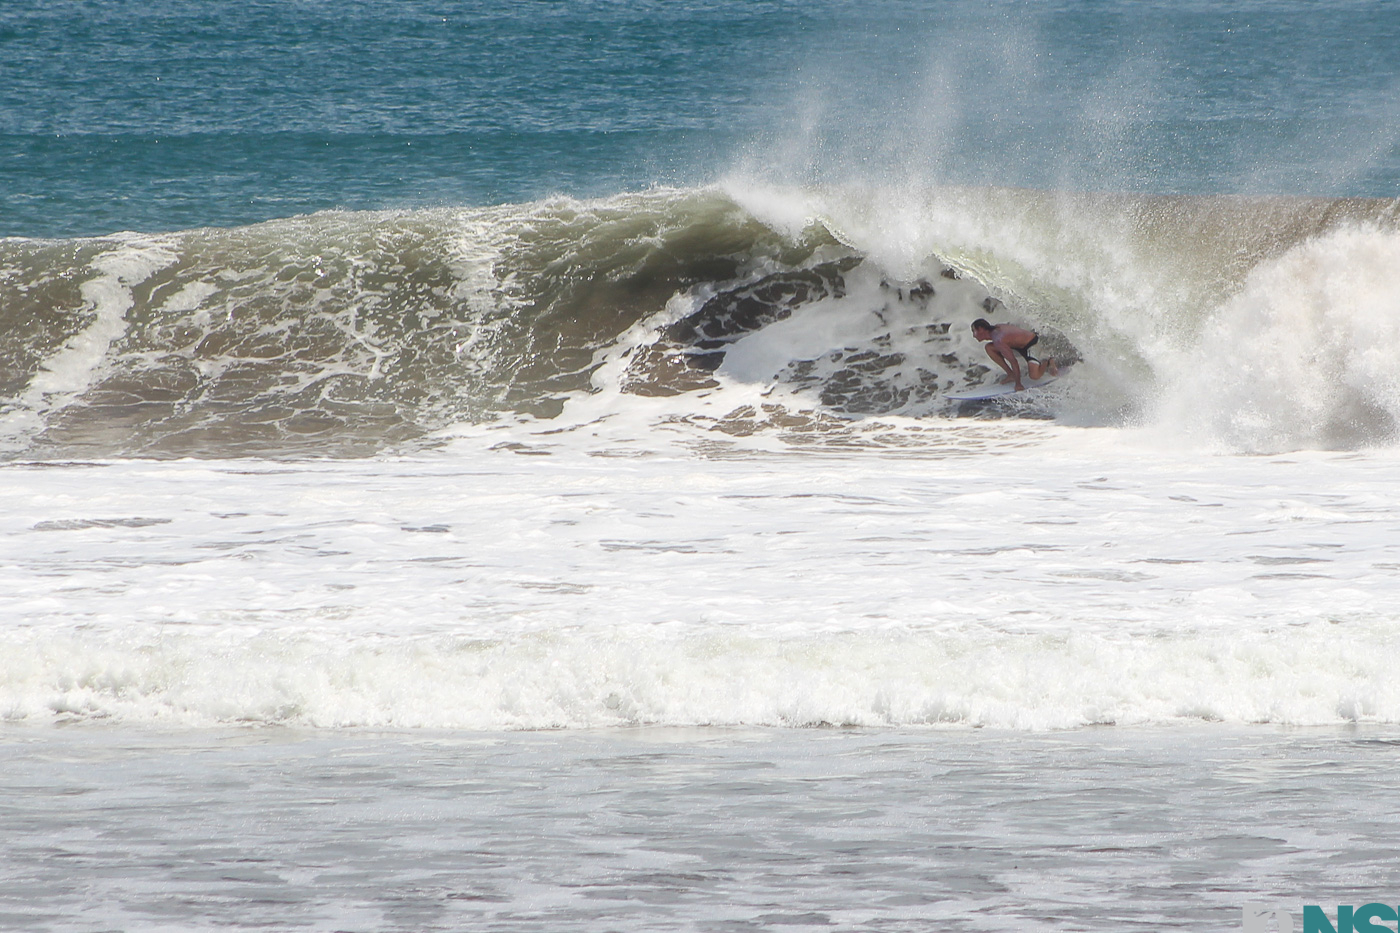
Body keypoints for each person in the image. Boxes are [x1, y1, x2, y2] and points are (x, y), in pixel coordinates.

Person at [970, 318, 1058, 391]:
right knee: (989, 348)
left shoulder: (998, 339)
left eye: (974, 331)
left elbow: (1013, 361)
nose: (974, 336)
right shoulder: (995, 332)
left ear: (981, 329)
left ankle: (1048, 361)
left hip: (1032, 344)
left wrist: (1018, 384)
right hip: (1018, 346)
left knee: (1034, 376)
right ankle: (1010, 374)